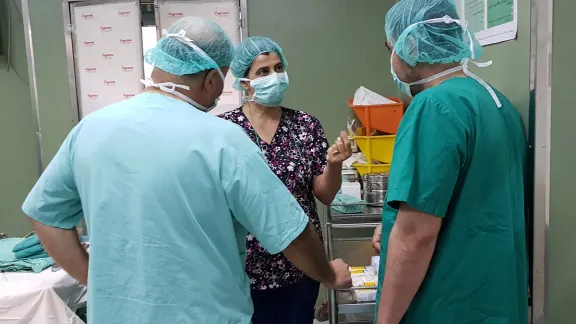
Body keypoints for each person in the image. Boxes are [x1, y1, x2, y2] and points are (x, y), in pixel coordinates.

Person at [21, 17, 352, 324]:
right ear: (211, 79)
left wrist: (98, 279)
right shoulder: (222, 139)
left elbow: (45, 217)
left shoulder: (91, 129)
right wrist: (328, 274)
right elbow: (289, 231)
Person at [370, 1, 528, 323]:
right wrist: (390, 230)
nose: (392, 59)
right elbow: (471, 201)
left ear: (410, 44)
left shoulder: (433, 107)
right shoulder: (497, 103)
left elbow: (416, 235)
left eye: (392, 48)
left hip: (447, 306)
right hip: (495, 302)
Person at [218, 36, 352, 324]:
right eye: (263, 72)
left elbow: (325, 194)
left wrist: (334, 165)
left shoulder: (306, 125)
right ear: (245, 83)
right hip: (243, 268)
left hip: (301, 265)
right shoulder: (224, 130)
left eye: (278, 68)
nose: (275, 77)